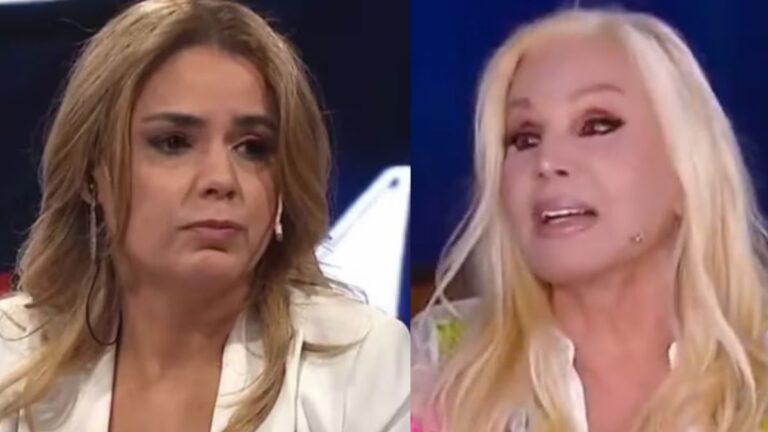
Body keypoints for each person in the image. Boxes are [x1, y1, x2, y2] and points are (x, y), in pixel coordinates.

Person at [0, 1, 409, 431]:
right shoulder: (11, 352)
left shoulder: (365, 363)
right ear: (92, 171)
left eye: (253, 147)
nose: (221, 179)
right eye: (174, 142)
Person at [412, 8, 768, 432]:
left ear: (686, 169)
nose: (547, 160)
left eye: (597, 125)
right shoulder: (430, 368)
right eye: (524, 138)